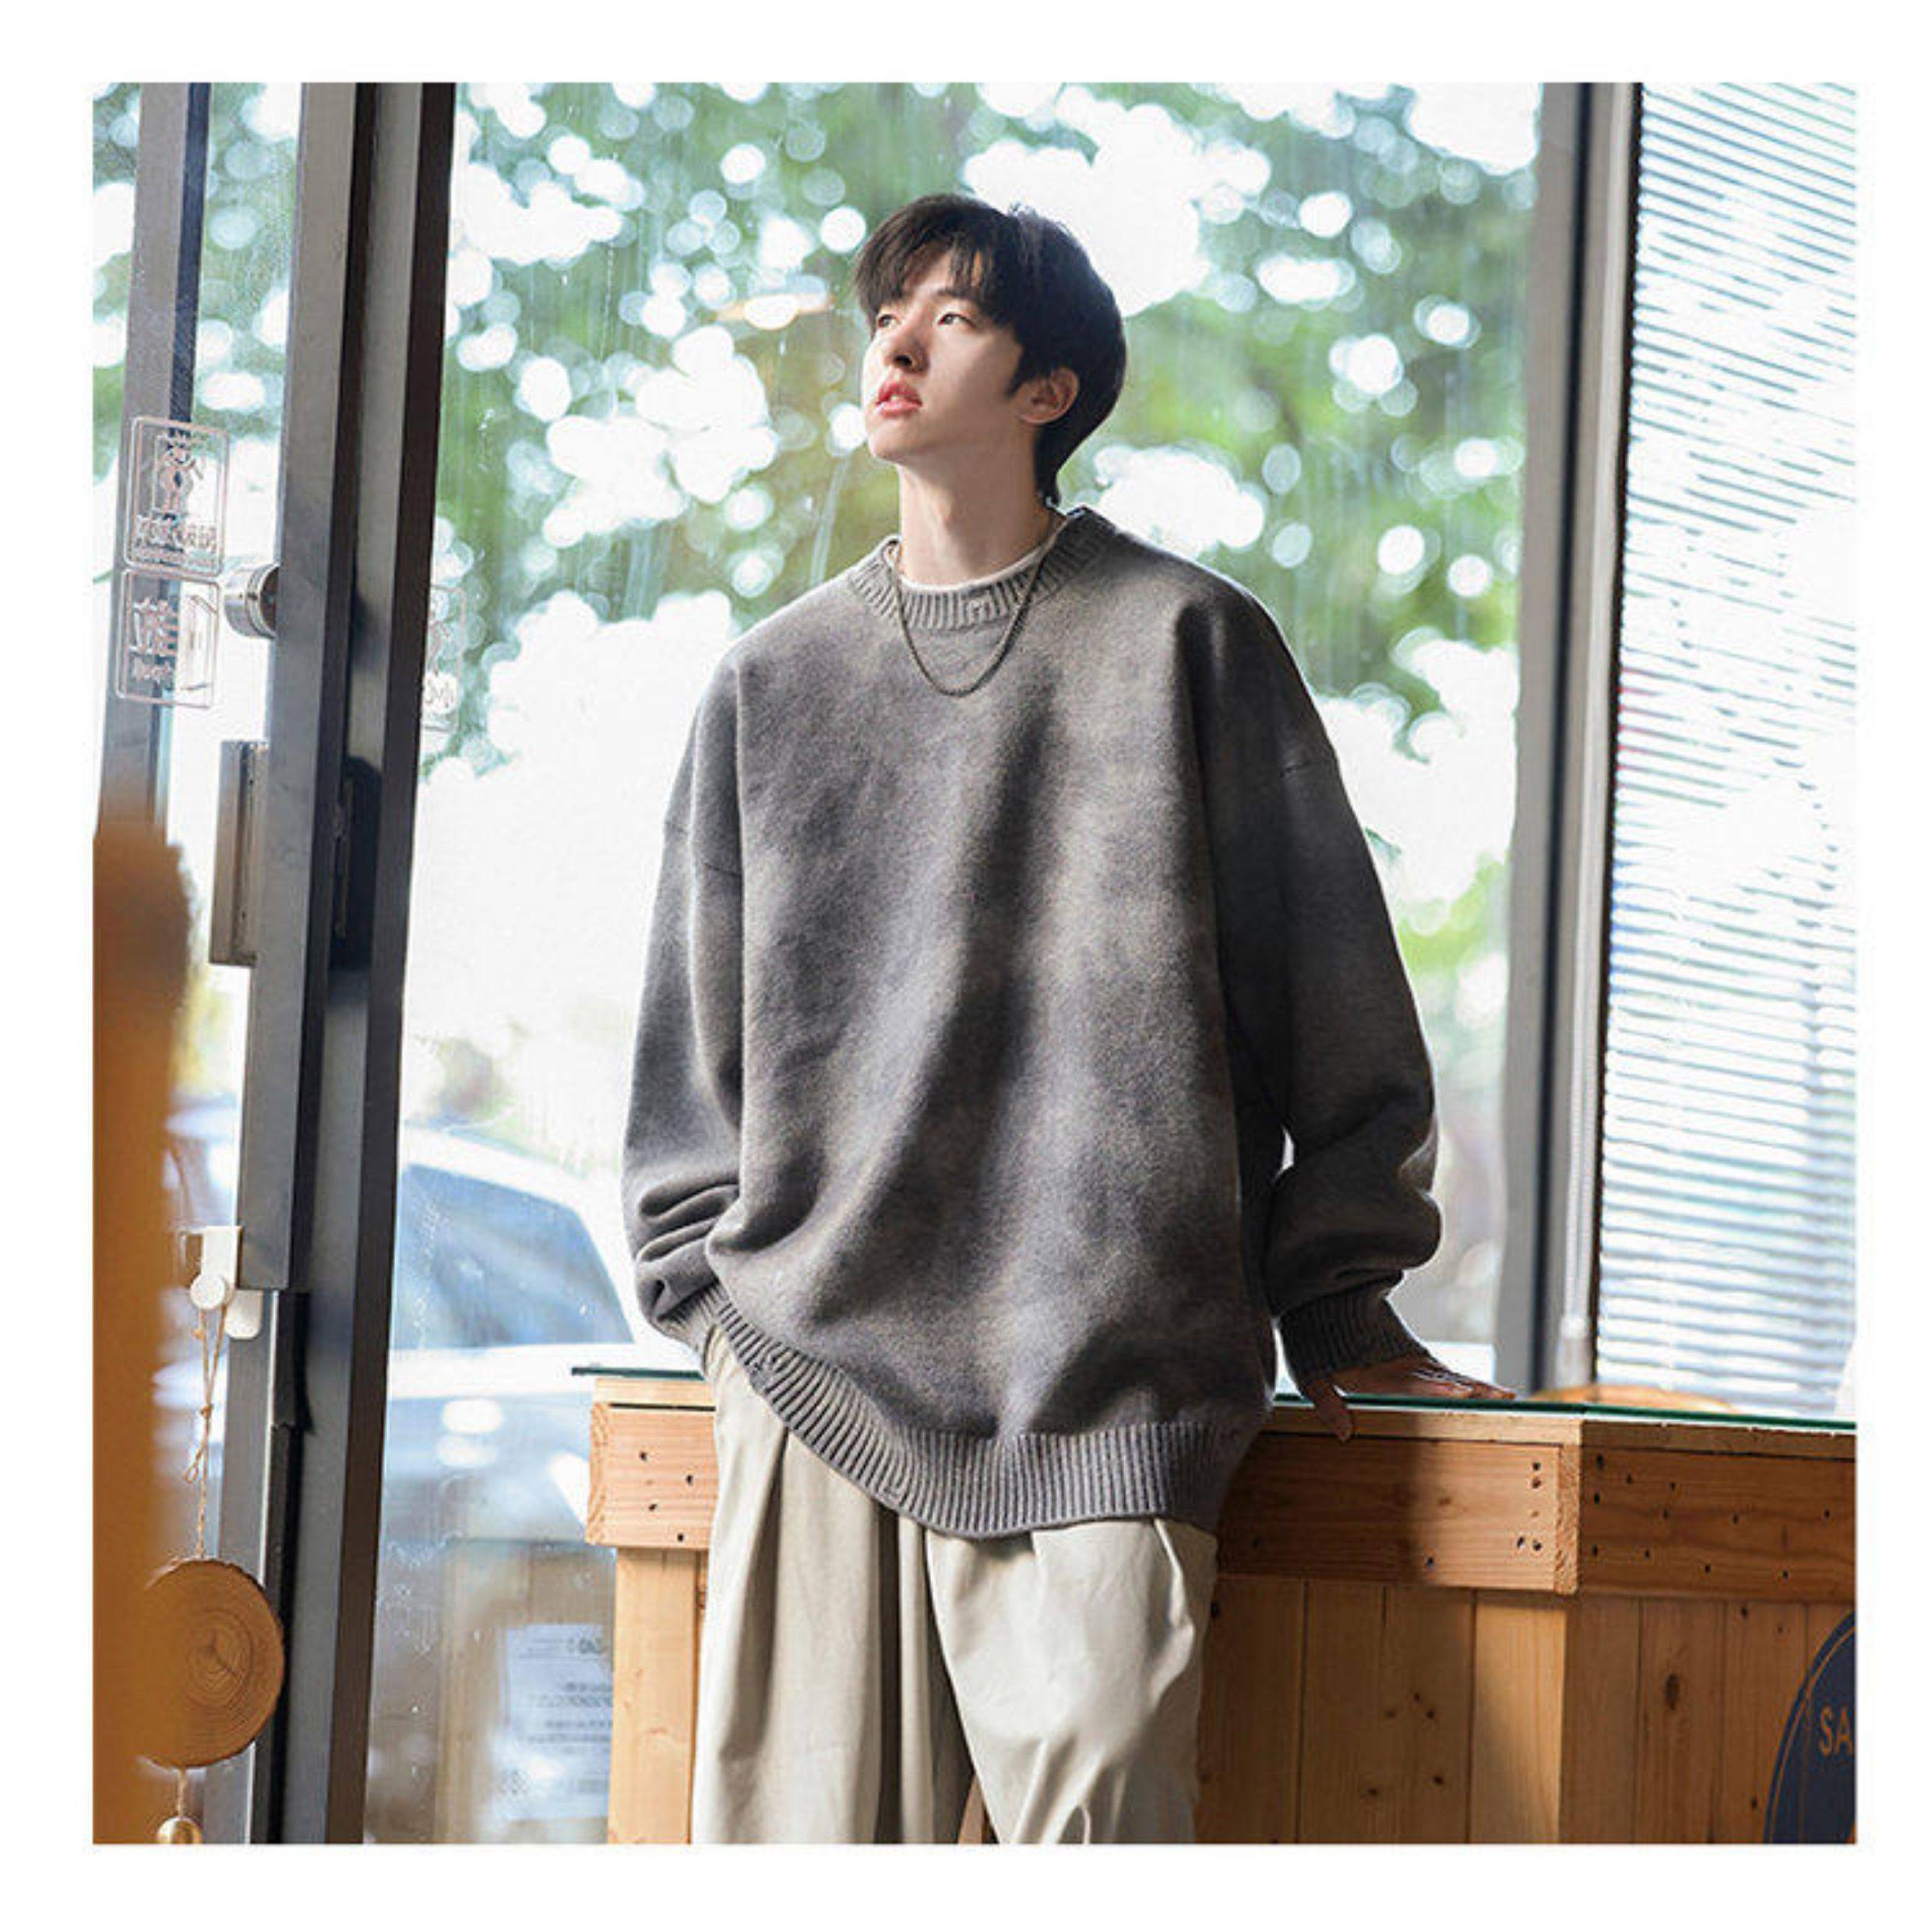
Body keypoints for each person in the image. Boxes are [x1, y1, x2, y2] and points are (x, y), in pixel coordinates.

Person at [620, 190, 1511, 1845]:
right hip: (814, 1369)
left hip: (1112, 1380)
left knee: (1108, 1816)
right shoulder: (768, 684)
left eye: (951, 318)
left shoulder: (1189, 642)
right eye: (887, 314)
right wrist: (720, 1321)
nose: (895, 343)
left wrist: (1342, 1305)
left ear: (1050, 389)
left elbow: (1339, 1010)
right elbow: (691, 1064)